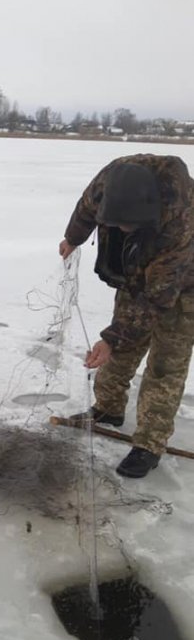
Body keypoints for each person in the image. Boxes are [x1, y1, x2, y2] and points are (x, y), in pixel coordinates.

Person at [59, 153, 194, 478]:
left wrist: (110, 337)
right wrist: (73, 238)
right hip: (138, 272)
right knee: (122, 345)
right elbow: (86, 208)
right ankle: (108, 408)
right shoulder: (109, 181)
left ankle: (149, 443)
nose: (120, 228)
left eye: (127, 225)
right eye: (115, 223)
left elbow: (156, 298)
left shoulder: (181, 222)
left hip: (185, 283)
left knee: (165, 364)